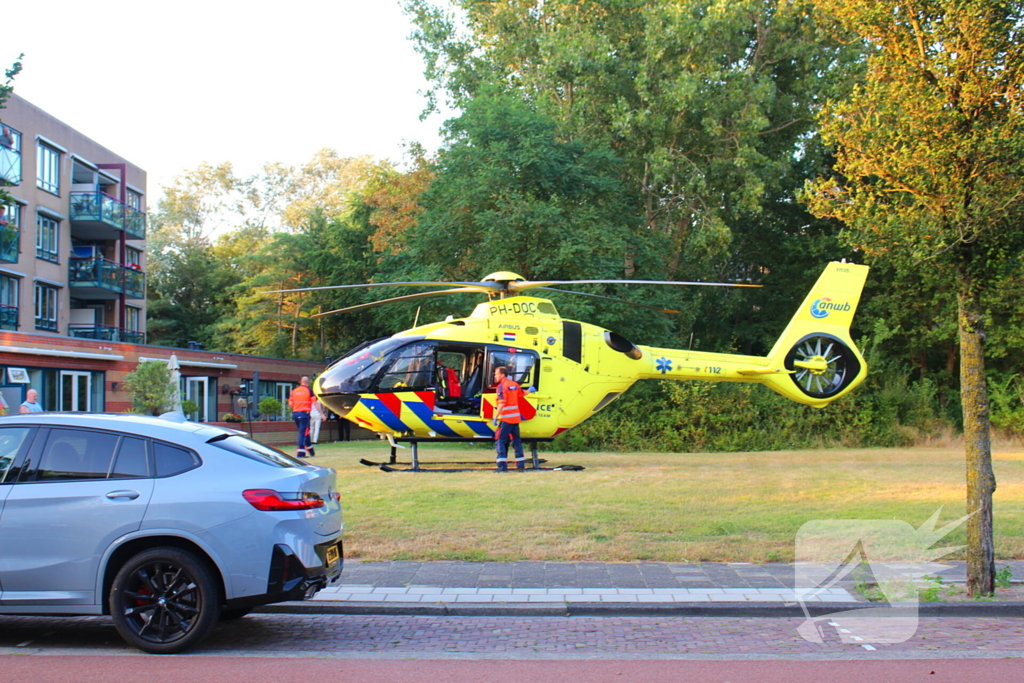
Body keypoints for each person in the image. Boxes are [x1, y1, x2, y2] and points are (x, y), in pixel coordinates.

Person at [492, 366, 533, 471]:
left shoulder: (501, 386)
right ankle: (520, 465)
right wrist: (530, 390)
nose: (495, 376)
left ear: (502, 375)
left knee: (500, 440)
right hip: (515, 418)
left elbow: (502, 403)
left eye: (496, 374)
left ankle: (502, 466)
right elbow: (522, 394)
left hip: (506, 419)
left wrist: (495, 417)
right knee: (516, 441)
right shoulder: (514, 384)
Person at [288, 377, 314, 458]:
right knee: (303, 432)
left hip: (295, 413)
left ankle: (310, 448)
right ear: (308, 382)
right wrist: (322, 414)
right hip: (304, 414)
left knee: (304, 431)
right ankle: (301, 452)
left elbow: (290, 404)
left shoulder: (294, 391)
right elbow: (315, 402)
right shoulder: (309, 390)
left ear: (300, 382)